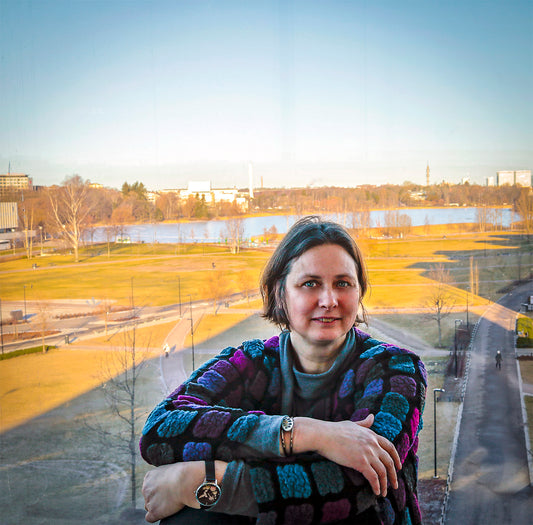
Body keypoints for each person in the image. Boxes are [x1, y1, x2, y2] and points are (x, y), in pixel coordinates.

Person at [140, 216, 427, 525]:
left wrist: (201, 481)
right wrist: (310, 433)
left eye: (343, 283)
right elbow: (161, 430)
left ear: (359, 292)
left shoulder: (397, 369)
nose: (329, 300)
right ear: (280, 294)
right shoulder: (251, 361)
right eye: (310, 284)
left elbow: (356, 482)